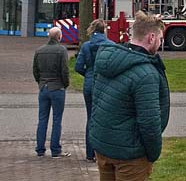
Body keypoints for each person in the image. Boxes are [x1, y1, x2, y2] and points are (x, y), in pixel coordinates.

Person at [90, 11, 170, 180]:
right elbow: (149, 121)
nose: (160, 43)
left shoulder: (106, 59)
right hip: (130, 155)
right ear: (151, 38)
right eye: (160, 39)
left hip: (103, 146)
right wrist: (153, 154)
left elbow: (96, 101)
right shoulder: (146, 73)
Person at [75, 19, 114, 162]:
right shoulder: (111, 45)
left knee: (91, 117)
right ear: (104, 30)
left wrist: (89, 75)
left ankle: (89, 154)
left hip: (90, 85)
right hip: (105, 85)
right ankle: (104, 153)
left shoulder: (86, 46)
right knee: (107, 117)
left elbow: (78, 67)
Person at [33, 26, 70, 158]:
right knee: (56, 119)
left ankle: (40, 149)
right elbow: (65, 70)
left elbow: (35, 71)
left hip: (43, 87)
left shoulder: (39, 51)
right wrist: (65, 84)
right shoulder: (61, 50)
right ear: (59, 36)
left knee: (42, 119)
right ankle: (55, 150)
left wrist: (41, 82)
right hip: (57, 87)